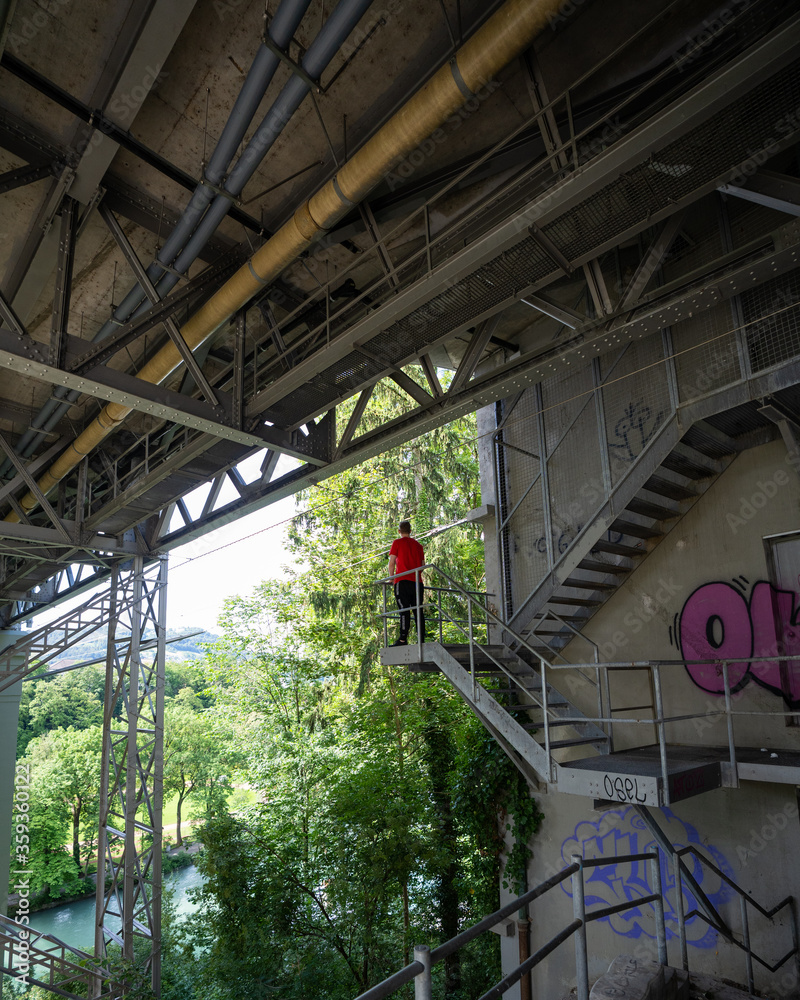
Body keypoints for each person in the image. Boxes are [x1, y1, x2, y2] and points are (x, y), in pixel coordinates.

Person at [388, 521, 426, 646]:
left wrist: (391, 578)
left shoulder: (397, 543)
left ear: (399, 531)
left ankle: (403, 639)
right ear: (410, 531)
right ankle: (421, 640)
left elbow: (392, 562)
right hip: (417, 582)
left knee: (404, 610)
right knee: (417, 610)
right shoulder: (418, 545)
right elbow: (422, 566)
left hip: (402, 581)